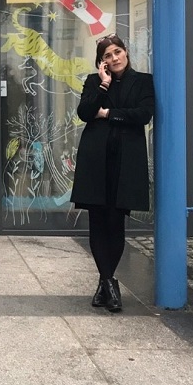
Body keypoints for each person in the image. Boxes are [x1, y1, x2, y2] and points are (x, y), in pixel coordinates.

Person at [70, 34, 154, 313]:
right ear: (101, 62)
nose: (114, 58)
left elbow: (142, 114)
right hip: (95, 158)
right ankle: (108, 282)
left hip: (126, 159)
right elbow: (84, 112)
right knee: (97, 220)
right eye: (107, 55)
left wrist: (108, 115)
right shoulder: (95, 82)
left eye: (117, 52)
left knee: (115, 220)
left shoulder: (143, 81)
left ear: (126, 53)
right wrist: (104, 86)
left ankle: (105, 283)